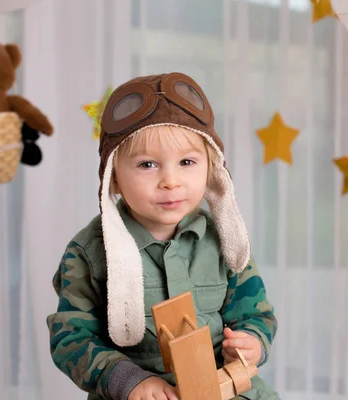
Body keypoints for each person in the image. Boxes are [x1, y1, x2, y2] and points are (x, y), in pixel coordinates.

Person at [46, 72, 279, 400]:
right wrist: (129, 380)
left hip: (218, 386)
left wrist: (251, 341)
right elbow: (71, 339)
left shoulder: (226, 241)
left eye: (187, 162)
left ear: (210, 168)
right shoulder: (90, 253)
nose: (171, 180)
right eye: (147, 165)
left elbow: (256, 313)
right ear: (113, 179)